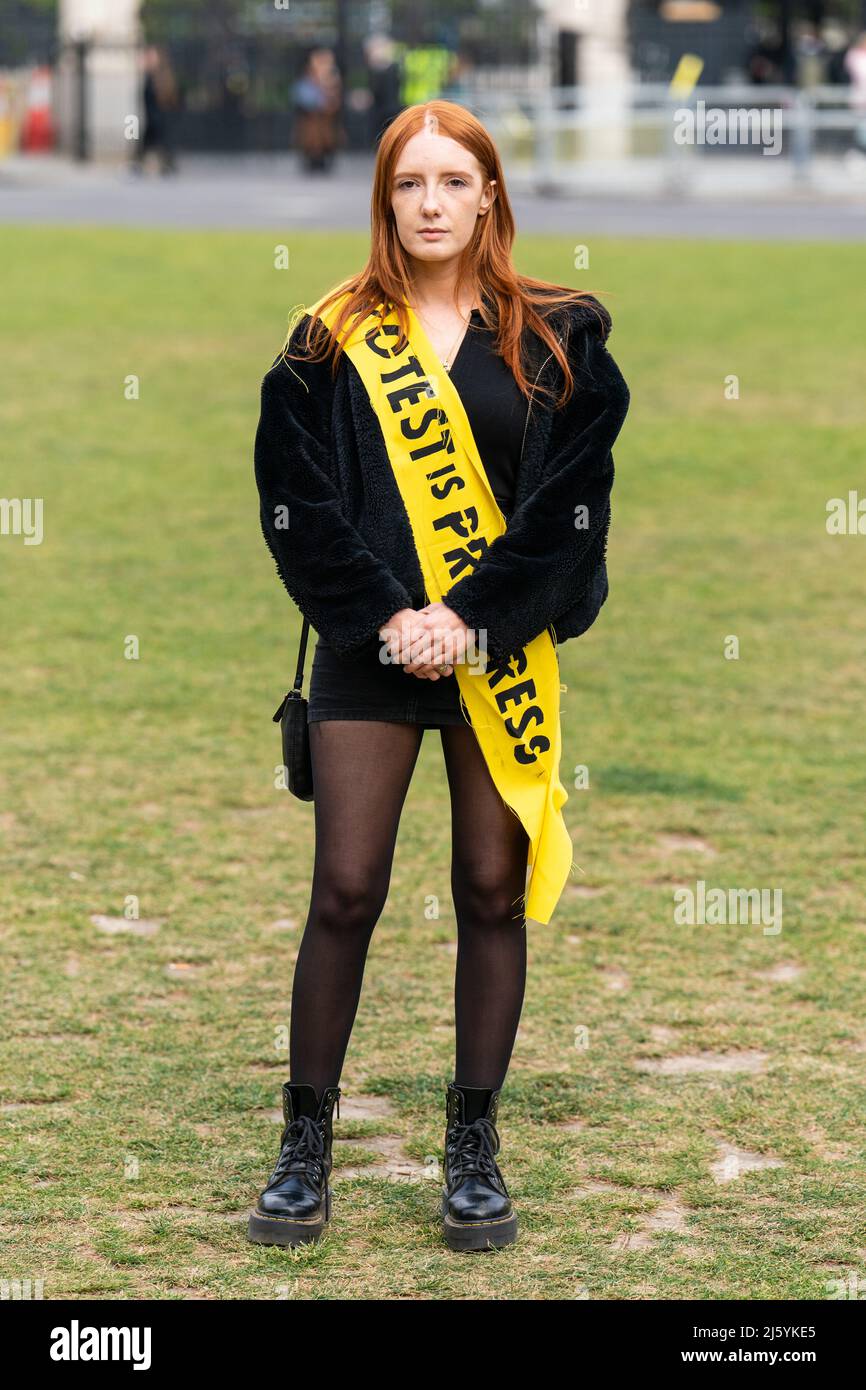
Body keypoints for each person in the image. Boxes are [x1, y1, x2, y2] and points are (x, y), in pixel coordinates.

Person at [249, 100, 630, 1252]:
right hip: (370, 652)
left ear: (489, 198)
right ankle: (302, 1145)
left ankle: (472, 1145)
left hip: (496, 657)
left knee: (485, 890)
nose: (429, 204)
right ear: (385, 199)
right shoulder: (325, 340)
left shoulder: (558, 338)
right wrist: (386, 620)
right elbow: (294, 503)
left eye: (451, 183)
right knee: (346, 890)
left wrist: (467, 617)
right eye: (408, 185)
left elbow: (569, 513)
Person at [293, 48, 342, 172]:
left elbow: (335, 99)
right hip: (311, 117)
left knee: (327, 138)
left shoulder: (333, 77)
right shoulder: (308, 77)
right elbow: (303, 96)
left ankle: (323, 161)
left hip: (326, 118)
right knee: (311, 138)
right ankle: (312, 161)